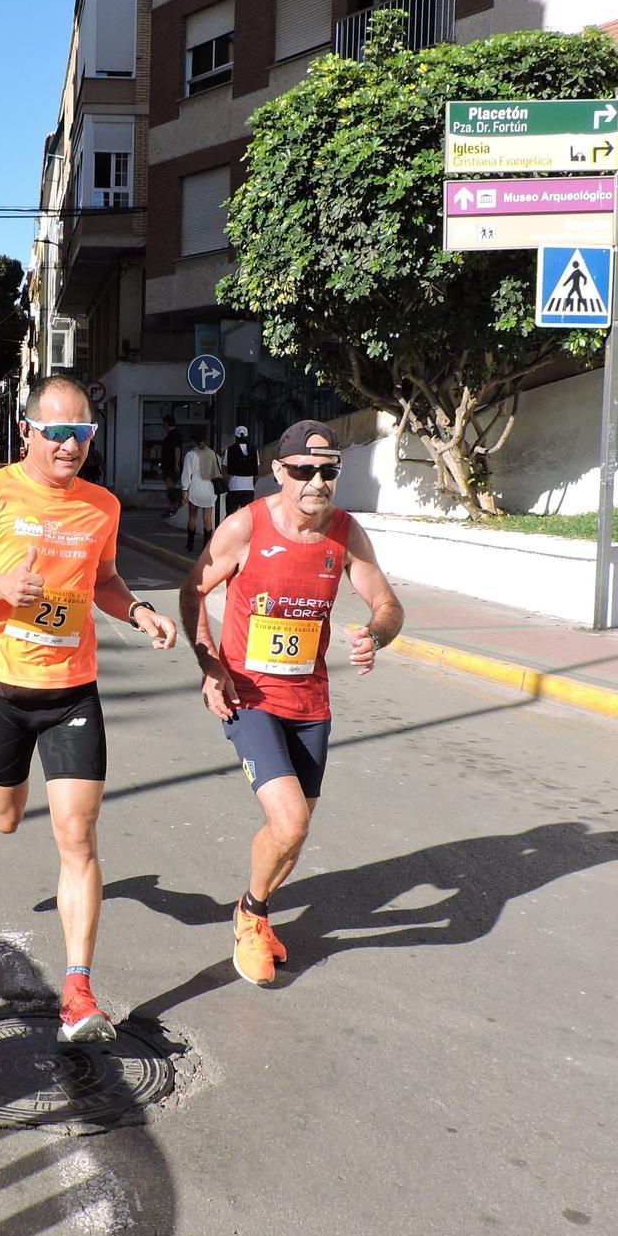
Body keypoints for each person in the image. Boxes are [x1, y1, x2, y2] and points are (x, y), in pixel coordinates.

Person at [0, 374, 180, 1043]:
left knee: (78, 834)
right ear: (28, 432)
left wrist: (141, 611)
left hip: (73, 687)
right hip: (2, 683)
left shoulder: (101, 506)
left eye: (83, 433)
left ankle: (77, 990)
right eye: (58, 432)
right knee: (9, 815)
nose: (71, 445)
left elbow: (105, 581)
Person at [176, 420, 405, 988]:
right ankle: (251, 917)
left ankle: (258, 909)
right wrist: (209, 664)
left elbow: (388, 604)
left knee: (295, 834)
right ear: (279, 472)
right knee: (290, 818)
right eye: (303, 471)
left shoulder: (346, 533)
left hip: (311, 703)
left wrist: (376, 635)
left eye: (328, 472)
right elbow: (192, 590)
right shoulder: (245, 527)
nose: (316, 483)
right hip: (248, 696)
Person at [180, 429, 222, 552]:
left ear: (194, 441)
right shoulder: (213, 454)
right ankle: (206, 546)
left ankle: (190, 544)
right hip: (209, 489)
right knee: (207, 518)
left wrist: (184, 489)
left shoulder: (191, 455)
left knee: (192, 516)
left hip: (195, 488)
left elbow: (187, 473)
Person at [223, 425, 259, 518]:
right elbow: (257, 471)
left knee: (230, 514)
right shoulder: (254, 450)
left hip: (234, 487)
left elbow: (224, 469)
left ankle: (228, 532)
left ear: (235, 436)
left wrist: (227, 484)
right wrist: (252, 484)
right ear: (247, 436)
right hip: (249, 488)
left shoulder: (229, 450)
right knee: (247, 516)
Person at [158, 410, 184, 523]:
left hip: (171, 466)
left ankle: (173, 507)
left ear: (167, 423)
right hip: (168, 466)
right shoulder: (172, 434)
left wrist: (176, 464)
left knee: (170, 488)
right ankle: (171, 507)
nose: (163, 425)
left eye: (164, 423)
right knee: (169, 487)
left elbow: (177, 449)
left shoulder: (174, 435)